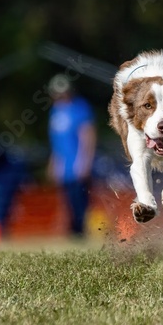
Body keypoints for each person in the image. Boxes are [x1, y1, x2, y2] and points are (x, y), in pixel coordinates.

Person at [47, 74, 97, 237]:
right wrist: (53, 163)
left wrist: (84, 161)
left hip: (78, 164)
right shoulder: (55, 112)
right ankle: (72, 231)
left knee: (81, 201)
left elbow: (87, 136)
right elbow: (56, 142)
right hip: (64, 167)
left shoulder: (80, 108)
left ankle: (81, 232)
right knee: (67, 200)